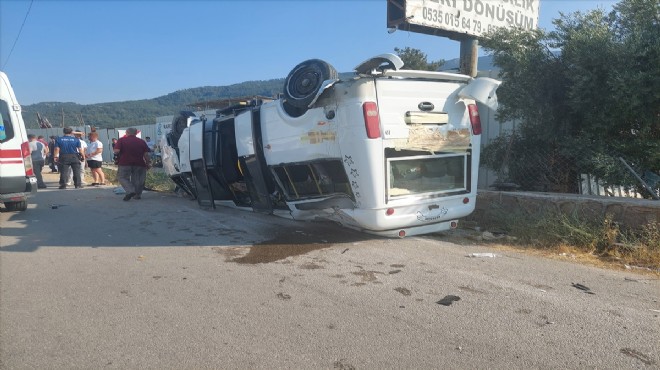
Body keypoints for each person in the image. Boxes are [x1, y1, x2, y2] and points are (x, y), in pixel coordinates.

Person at [114, 127, 150, 201]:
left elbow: (116, 151)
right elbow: (146, 154)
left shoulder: (121, 140)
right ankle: (137, 195)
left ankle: (130, 190)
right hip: (139, 163)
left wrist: (116, 151)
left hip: (124, 163)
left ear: (127, 133)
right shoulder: (142, 141)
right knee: (138, 180)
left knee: (122, 177)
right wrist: (148, 163)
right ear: (136, 133)